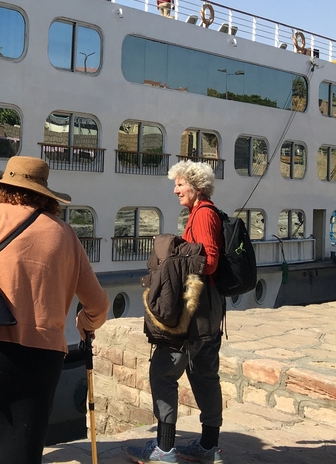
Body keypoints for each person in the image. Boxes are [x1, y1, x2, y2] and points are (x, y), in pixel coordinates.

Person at [0, 156, 110, 464]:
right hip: (42, 358)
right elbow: (98, 304)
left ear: (4, 186)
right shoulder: (66, 234)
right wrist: (85, 321)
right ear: (46, 194)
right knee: (20, 448)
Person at [126, 161, 224, 464]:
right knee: (204, 375)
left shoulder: (204, 215)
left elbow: (209, 263)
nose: (175, 189)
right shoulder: (204, 212)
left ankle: (164, 449)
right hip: (207, 310)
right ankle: (209, 447)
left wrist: (176, 252)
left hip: (192, 312)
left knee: (163, 373)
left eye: (180, 184)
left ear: (195, 186)